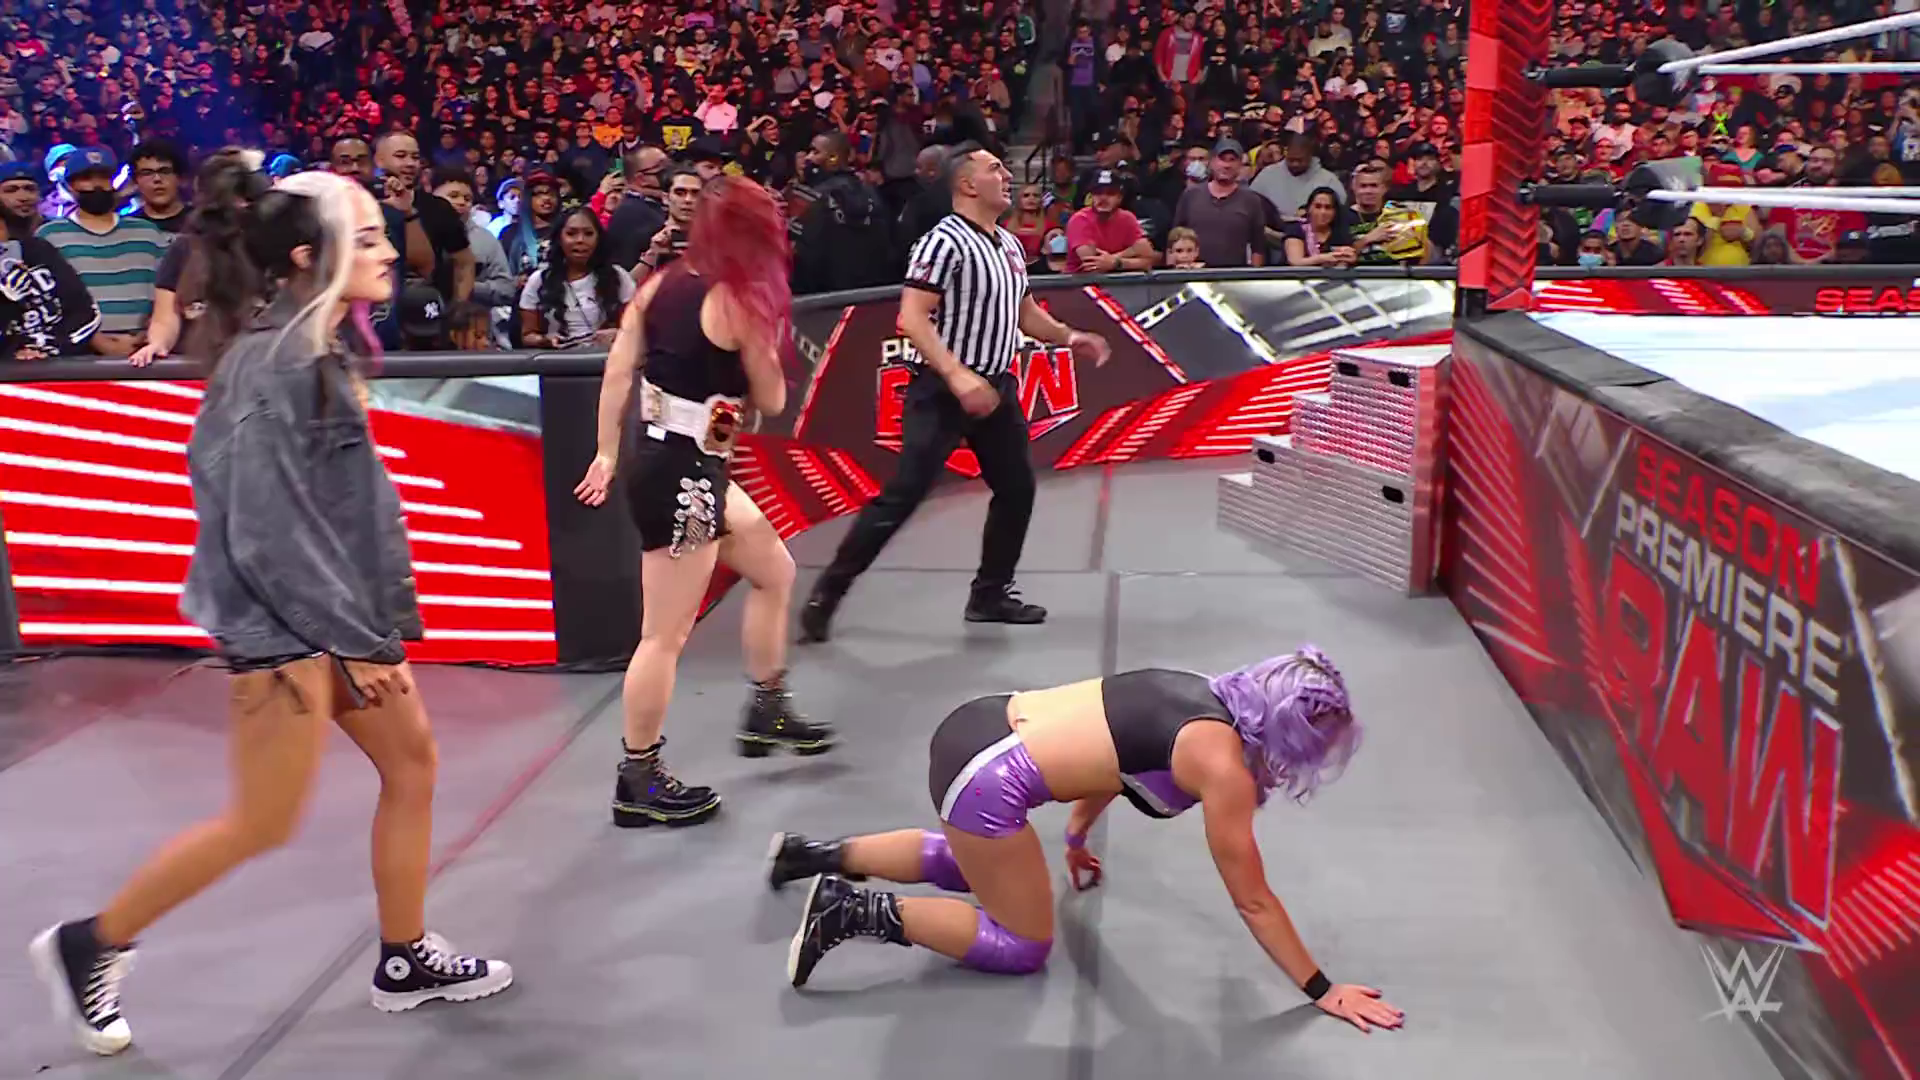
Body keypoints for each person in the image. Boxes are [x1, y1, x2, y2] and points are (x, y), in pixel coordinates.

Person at [28, 167, 511, 1059]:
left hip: (337, 622)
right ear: (303, 256)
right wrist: (354, 641)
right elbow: (264, 532)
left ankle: (403, 955)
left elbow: (338, 511)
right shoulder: (276, 363)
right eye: (365, 237)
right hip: (287, 632)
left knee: (412, 766)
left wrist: (368, 626)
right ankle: (91, 942)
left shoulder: (314, 349)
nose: (386, 251)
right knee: (263, 820)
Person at [766, 648, 1407, 1035]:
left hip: (980, 723)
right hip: (985, 779)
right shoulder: (1224, 771)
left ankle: (810, 853)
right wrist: (1323, 989)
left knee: (971, 866)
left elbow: (1117, 756)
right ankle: (851, 910)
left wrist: (1074, 834)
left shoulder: (1201, 692)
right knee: (1023, 944)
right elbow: (1254, 900)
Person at [574, 174, 835, 830]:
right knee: (663, 635)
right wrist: (764, 343)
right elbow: (772, 400)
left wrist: (606, 452)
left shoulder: (660, 284)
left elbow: (618, 370)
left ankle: (767, 705)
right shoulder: (737, 301)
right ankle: (638, 774)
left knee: (774, 570)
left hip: (675, 459)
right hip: (686, 476)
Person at [799, 142, 1112, 643]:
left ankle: (989, 594)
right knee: (903, 495)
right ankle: (827, 593)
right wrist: (958, 375)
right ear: (967, 185)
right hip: (942, 390)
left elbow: (1025, 312)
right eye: (995, 169)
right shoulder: (943, 242)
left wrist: (1071, 337)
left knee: (1016, 489)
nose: (1007, 176)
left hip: (997, 387)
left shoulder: (1008, 245)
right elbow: (912, 317)